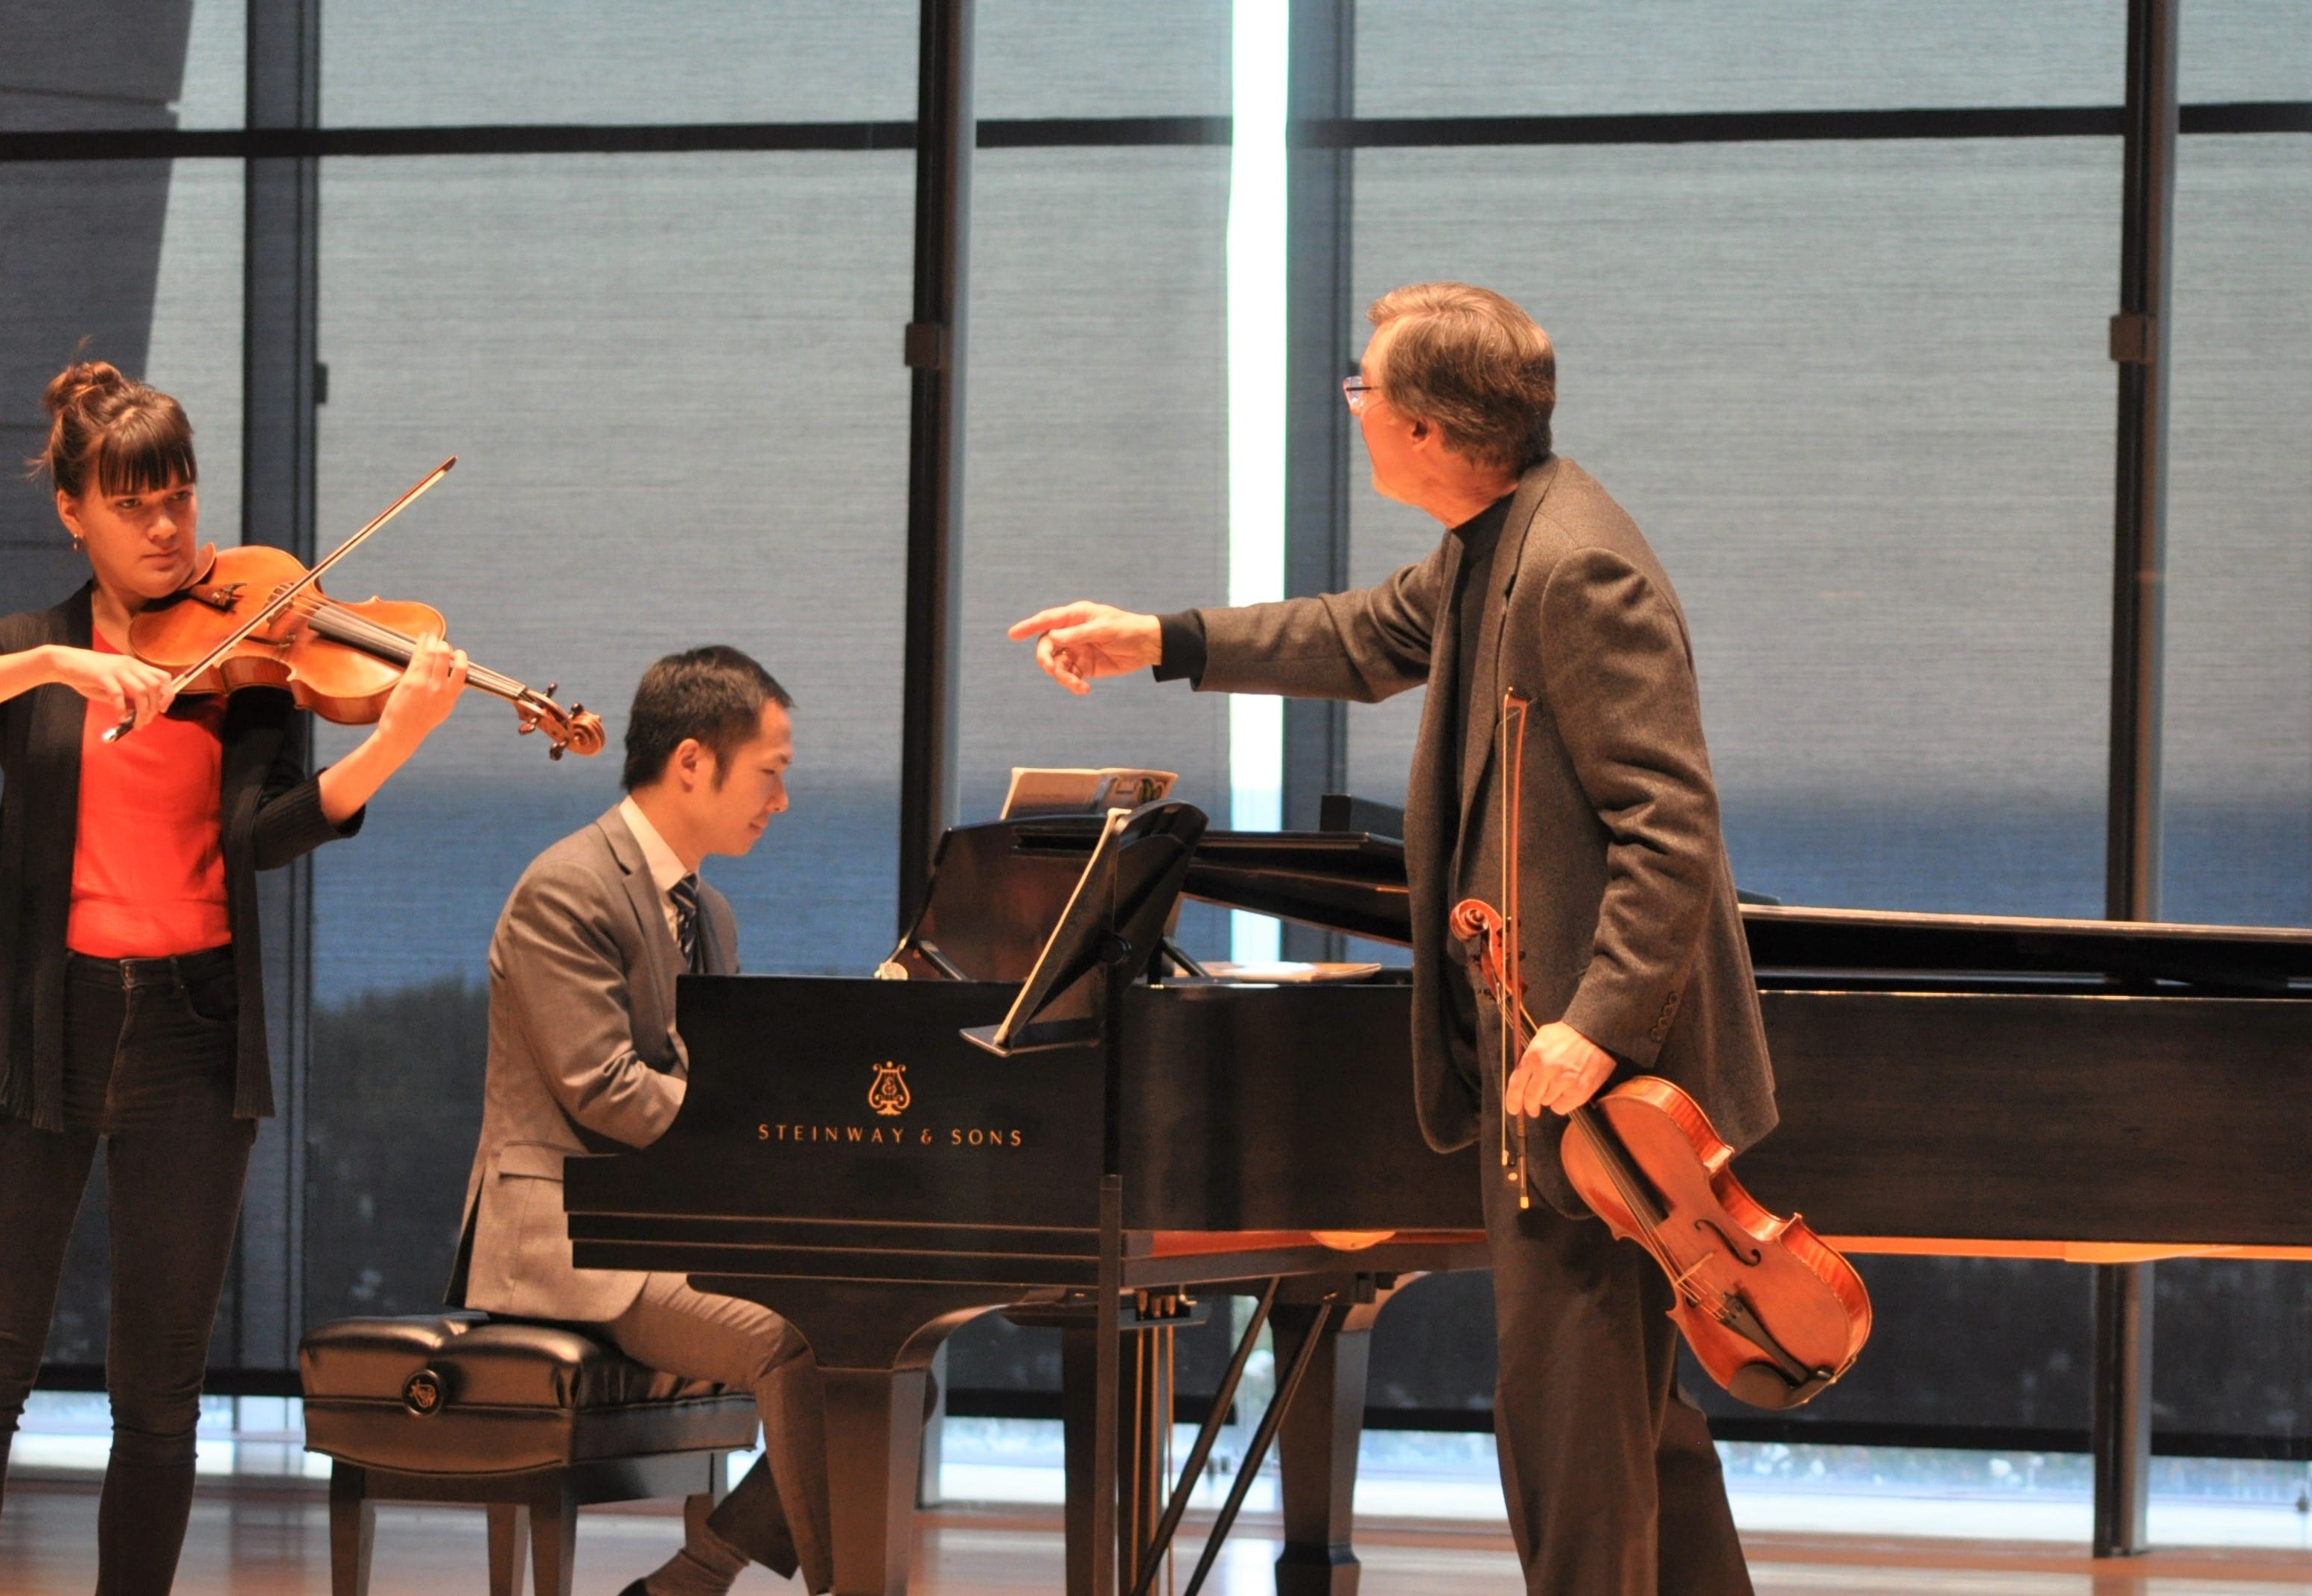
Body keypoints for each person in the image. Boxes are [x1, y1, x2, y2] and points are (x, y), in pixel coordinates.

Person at [1007, 282, 1770, 1595]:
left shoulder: (1573, 564)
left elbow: (1670, 823)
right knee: (1621, 1420)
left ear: (1423, 427)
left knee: (1572, 1428)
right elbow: (1358, 636)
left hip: (1606, 1085)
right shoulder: (1492, 540)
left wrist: (1592, 1026)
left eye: (1361, 386)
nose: (1351, 404)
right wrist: (1161, 638)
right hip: (1561, 1060)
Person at [0, 359, 470, 1596]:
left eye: (181, 498)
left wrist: (393, 744)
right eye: (135, 504)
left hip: (191, 1030)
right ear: (73, 512)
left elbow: (260, 836)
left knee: (158, 1391)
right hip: (40, 1028)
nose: (167, 529)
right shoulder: (33, 651)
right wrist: (55, 670)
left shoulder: (250, 660)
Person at [456, 645, 827, 1596]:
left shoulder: (712, 912)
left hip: (663, 1227)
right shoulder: (568, 887)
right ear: (695, 760)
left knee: (889, 1346)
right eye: (771, 773)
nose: (781, 801)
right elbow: (606, 1087)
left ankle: (690, 1580)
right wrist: (758, 1150)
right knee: (800, 1340)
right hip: (569, 1242)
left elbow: (721, 1079)